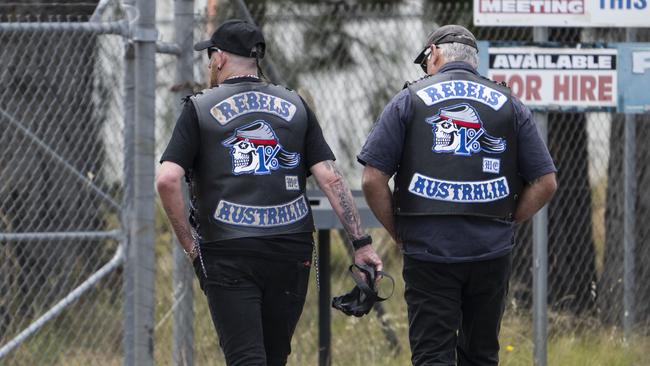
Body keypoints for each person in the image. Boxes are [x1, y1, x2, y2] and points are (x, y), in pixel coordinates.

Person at [156, 19, 382, 366]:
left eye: (210, 57)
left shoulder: (199, 107)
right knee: (275, 356)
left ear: (218, 59)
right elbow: (330, 177)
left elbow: (167, 180)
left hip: (226, 248)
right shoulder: (296, 104)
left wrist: (191, 248)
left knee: (246, 358)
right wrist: (361, 243)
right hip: (289, 248)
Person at [358, 25, 557, 366]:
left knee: (432, 355)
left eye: (425, 62)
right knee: (480, 355)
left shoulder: (409, 99)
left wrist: (397, 231)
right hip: (490, 251)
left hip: (428, 250)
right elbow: (546, 182)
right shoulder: (510, 103)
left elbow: (372, 179)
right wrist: (507, 219)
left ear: (434, 53)